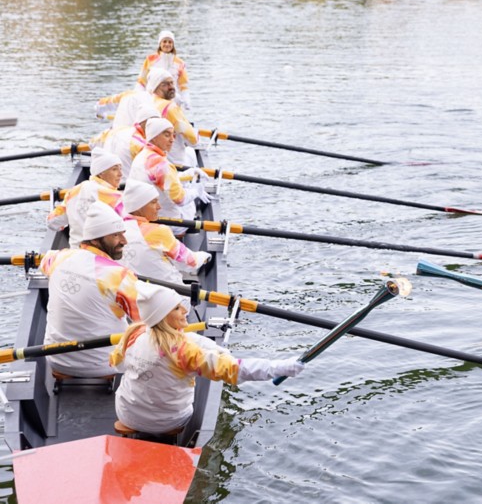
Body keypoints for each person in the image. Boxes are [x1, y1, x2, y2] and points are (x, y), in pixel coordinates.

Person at [110, 282, 304, 435]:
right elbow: (236, 371)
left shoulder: (133, 333)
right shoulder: (184, 352)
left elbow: (116, 366)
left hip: (127, 414)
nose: (185, 311)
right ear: (163, 317)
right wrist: (282, 367)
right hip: (167, 421)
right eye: (177, 308)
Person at [40, 202, 141, 377]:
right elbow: (145, 320)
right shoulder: (120, 275)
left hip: (57, 360)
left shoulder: (58, 258)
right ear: (95, 239)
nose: (124, 241)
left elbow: (43, 261)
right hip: (106, 365)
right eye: (116, 235)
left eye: (123, 234)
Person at [121, 179, 211, 284]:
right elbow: (190, 262)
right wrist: (205, 256)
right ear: (139, 207)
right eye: (154, 202)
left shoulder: (116, 231)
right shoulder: (158, 231)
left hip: (133, 293)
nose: (159, 207)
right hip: (169, 295)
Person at [128, 117, 209, 226]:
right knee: (190, 197)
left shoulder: (142, 155)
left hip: (145, 216)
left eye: (173, 135)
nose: (172, 140)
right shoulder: (160, 164)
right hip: (167, 222)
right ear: (154, 137)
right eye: (166, 135)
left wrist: (187, 175)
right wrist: (196, 191)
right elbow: (180, 199)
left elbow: (161, 181)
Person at [47, 148, 124, 248]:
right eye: (114, 169)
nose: (120, 174)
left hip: (76, 251)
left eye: (120, 168)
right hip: (102, 253)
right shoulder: (114, 196)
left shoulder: (73, 191)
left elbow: (52, 222)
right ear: (101, 173)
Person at [89, 104, 161, 182]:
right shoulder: (141, 144)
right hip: (127, 187)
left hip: (106, 182)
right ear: (145, 122)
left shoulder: (114, 130)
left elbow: (92, 143)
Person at [146, 67, 198, 167]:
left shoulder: (147, 102)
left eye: (171, 83)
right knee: (191, 151)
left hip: (152, 161)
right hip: (175, 163)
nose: (171, 87)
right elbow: (193, 141)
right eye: (165, 84)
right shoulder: (170, 108)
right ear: (155, 87)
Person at [135, 30, 191, 110]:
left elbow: (183, 86)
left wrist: (186, 101)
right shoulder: (150, 59)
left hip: (172, 100)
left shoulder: (180, 63)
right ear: (160, 44)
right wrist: (139, 98)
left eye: (170, 42)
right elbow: (141, 82)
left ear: (173, 44)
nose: (167, 44)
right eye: (164, 41)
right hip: (152, 101)